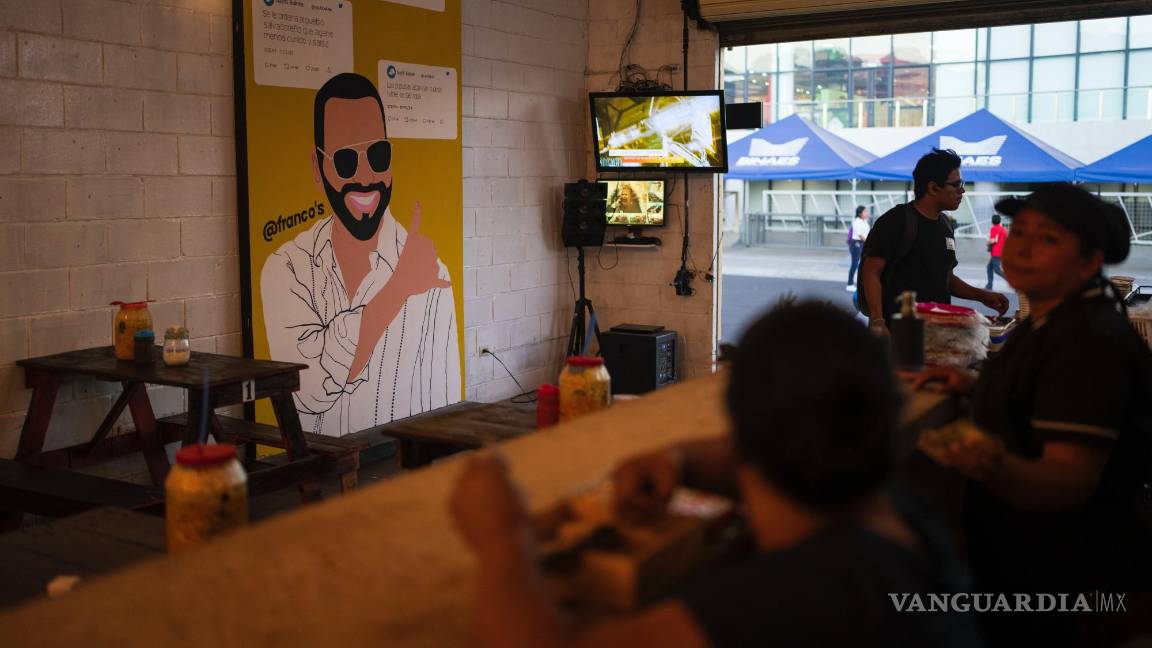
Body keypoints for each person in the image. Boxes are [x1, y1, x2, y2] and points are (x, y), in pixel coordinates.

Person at [450, 301, 981, 648]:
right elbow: (744, 453)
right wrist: (678, 462)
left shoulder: (803, 597)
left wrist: (502, 539)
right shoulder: (900, 514)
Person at [914, 184, 1152, 647]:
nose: (1022, 246)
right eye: (1019, 231)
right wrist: (975, 384)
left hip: (1072, 581)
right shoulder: (1052, 318)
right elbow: (1046, 394)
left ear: (1088, 262)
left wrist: (989, 460)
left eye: (1048, 239)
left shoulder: (1087, 342)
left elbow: (1066, 482)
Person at [261, 72, 460, 437]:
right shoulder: (286, 268)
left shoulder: (431, 276)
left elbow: (444, 405)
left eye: (379, 155)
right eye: (346, 162)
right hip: (313, 476)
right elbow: (305, 389)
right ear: (318, 168)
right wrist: (396, 290)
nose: (367, 175)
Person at [859, 148, 1009, 333]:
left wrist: (982, 295)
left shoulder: (945, 225)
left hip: (937, 334)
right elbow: (870, 272)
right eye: (956, 184)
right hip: (899, 333)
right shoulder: (896, 221)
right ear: (932, 187)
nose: (962, 190)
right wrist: (878, 321)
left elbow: (946, 278)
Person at [847, 205, 870, 290]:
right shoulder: (856, 222)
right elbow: (860, 235)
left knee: (862, 264)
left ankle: (860, 283)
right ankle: (849, 284)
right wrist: (869, 242)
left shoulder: (865, 221)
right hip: (856, 244)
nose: (867, 213)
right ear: (860, 213)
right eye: (865, 211)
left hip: (862, 244)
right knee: (855, 263)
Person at [984, 213, 1007, 290]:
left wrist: (987, 241)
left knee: (997, 270)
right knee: (989, 268)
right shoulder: (1003, 229)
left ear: (992, 221)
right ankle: (989, 285)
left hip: (996, 252)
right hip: (1001, 252)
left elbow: (994, 240)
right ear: (999, 221)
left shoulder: (994, 228)